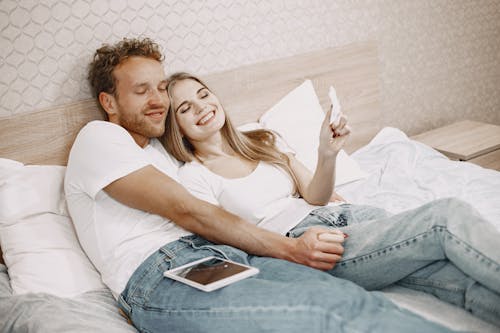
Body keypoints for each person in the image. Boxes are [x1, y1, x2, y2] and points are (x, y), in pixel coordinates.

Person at [65, 37, 459, 333]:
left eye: (161, 88)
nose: (159, 100)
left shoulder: (165, 149)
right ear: (110, 102)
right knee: (327, 314)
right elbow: (188, 210)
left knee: (347, 299)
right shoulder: (99, 138)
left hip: (219, 255)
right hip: (158, 274)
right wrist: (291, 248)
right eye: (141, 90)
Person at [163, 72, 500, 328]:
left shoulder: (262, 140)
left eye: (204, 95)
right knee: (444, 217)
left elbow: (316, 195)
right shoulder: (194, 176)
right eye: (185, 108)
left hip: (349, 214)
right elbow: (226, 241)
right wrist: (289, 252)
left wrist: (327, 153)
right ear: (175, 126)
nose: (202, 108)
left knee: (455, 278)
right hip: (314, 244)